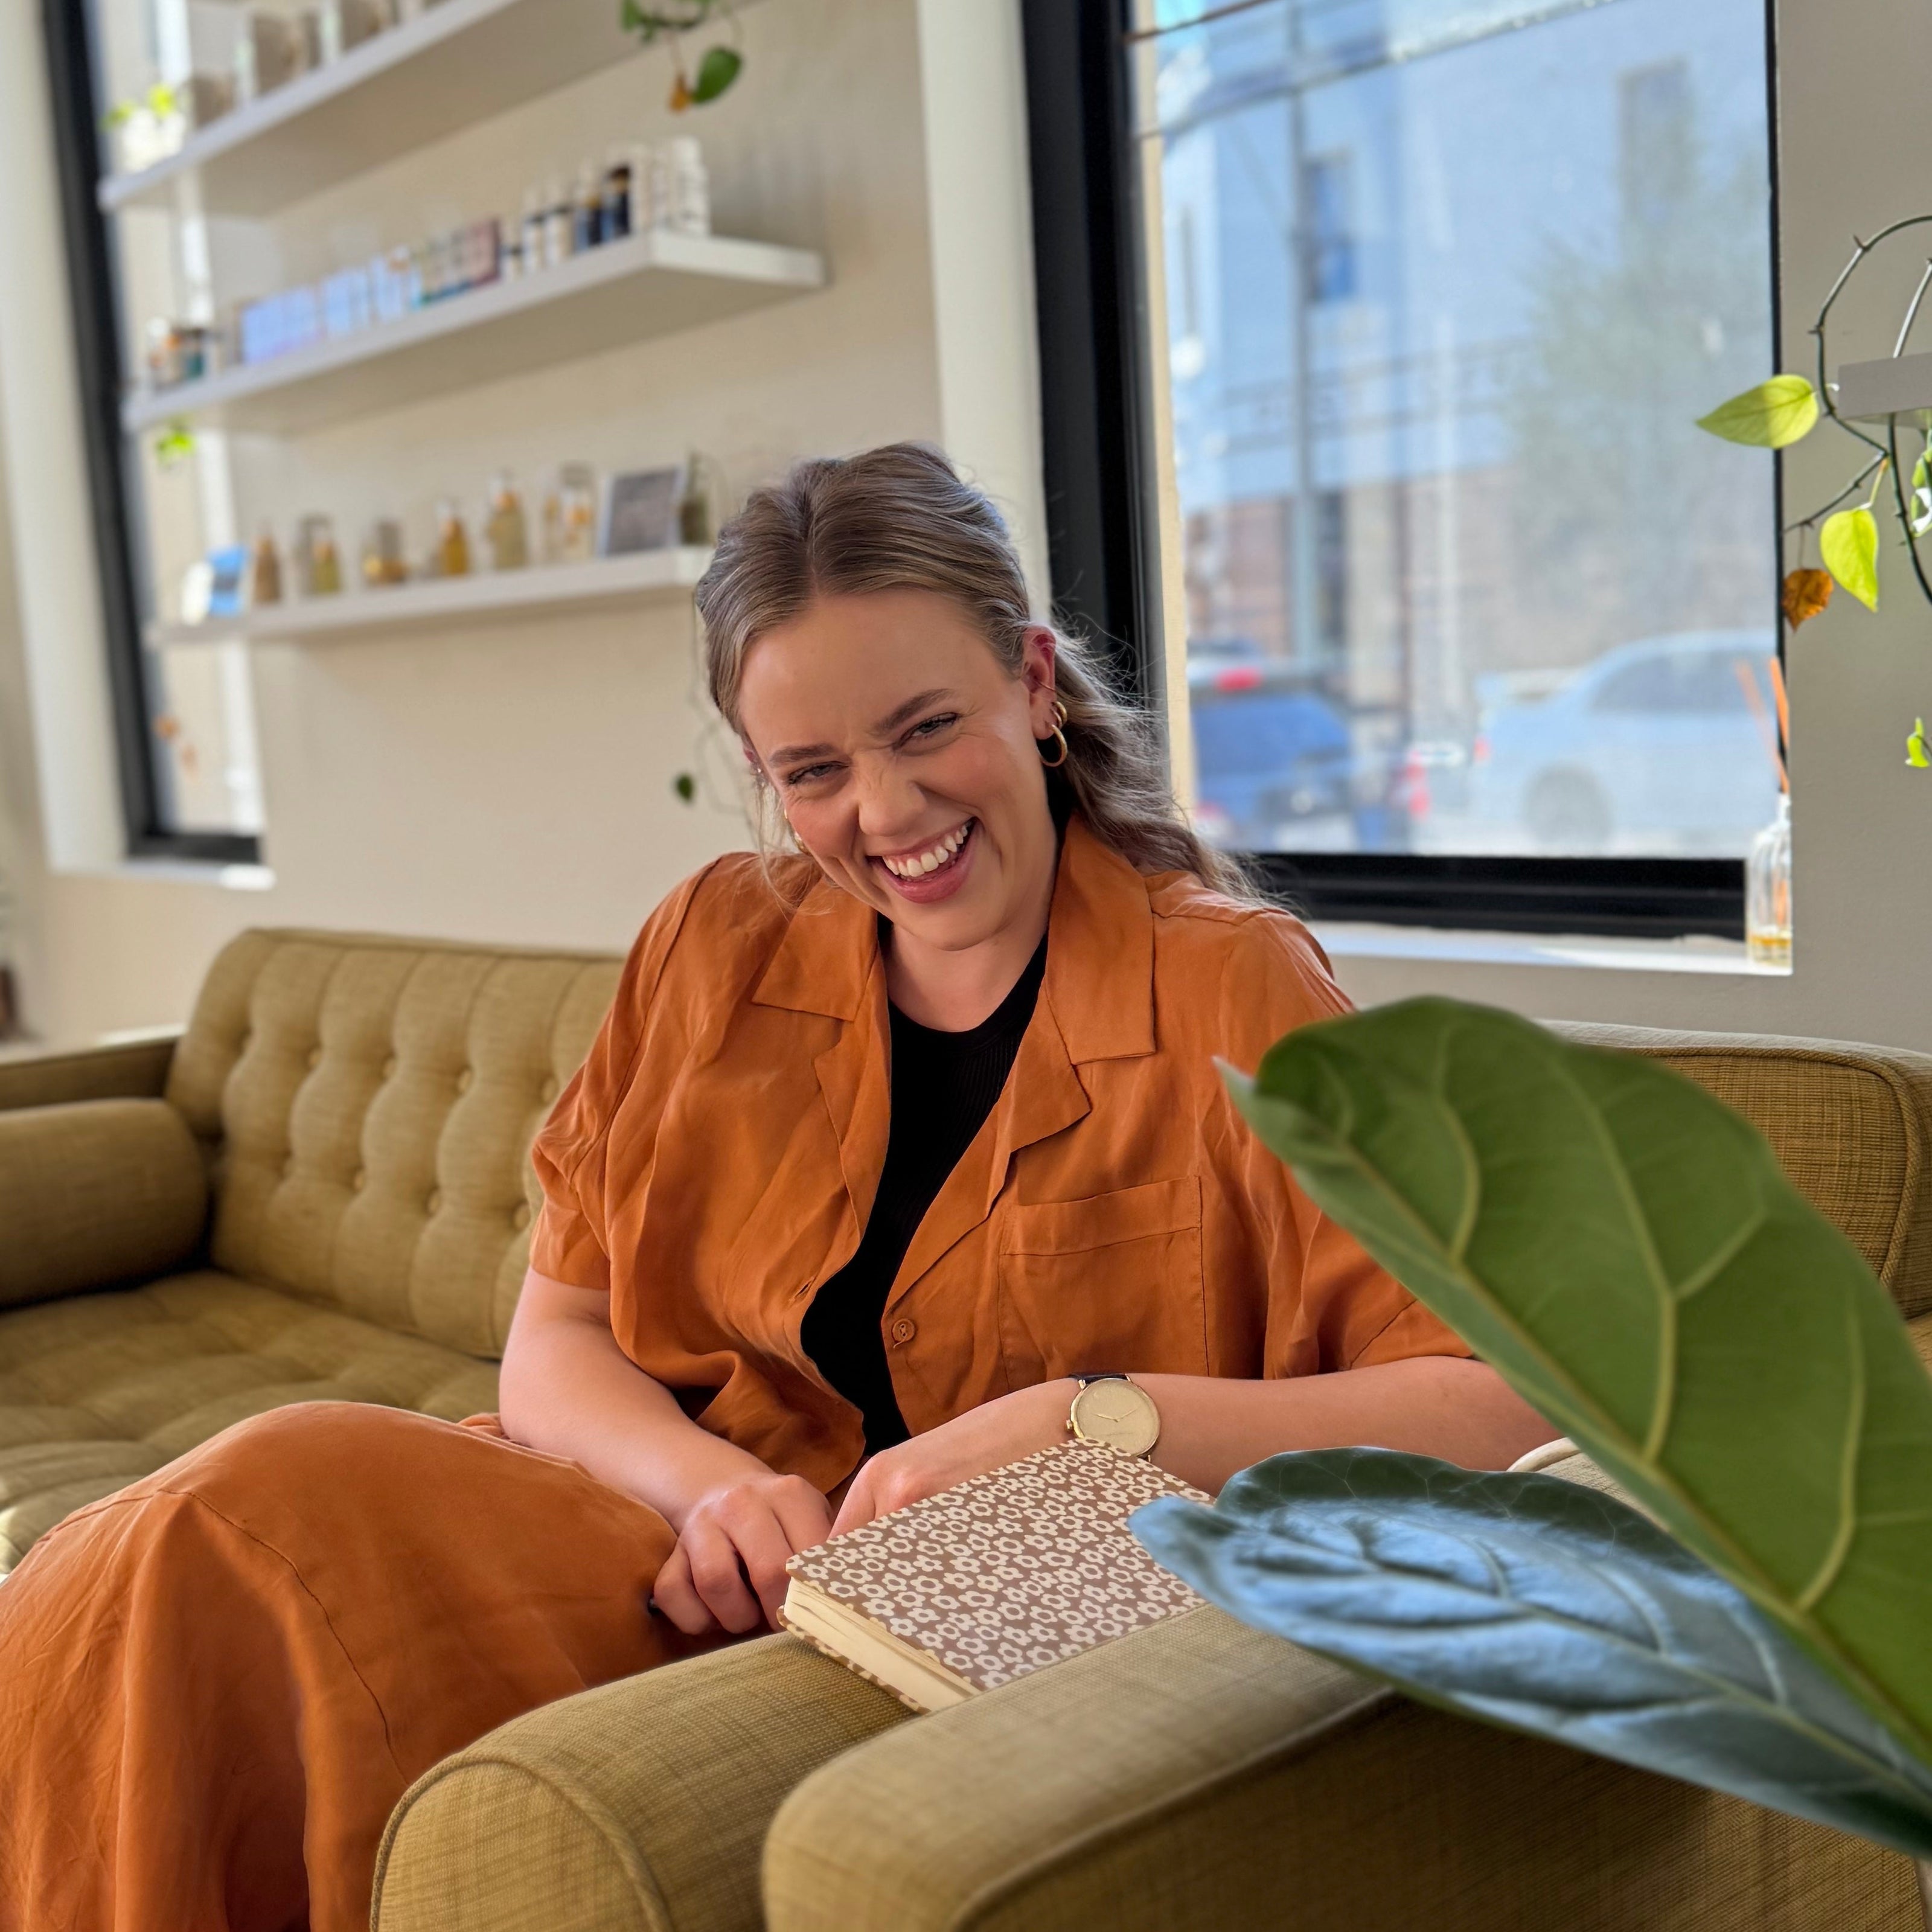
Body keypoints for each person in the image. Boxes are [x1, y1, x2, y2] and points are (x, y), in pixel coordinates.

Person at [0, 444, 1553, 1932]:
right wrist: (711, 1487)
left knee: (237, 1538)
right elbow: (558, 1338)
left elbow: (1493, 1409)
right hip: (670, 1548)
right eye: (813, 770)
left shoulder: (1229, 983)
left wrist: (1094, 1413)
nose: (882, 815)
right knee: (223, 1526)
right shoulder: (714, 943)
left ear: (1029, 683)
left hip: (988, 1619)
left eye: (925, 727)